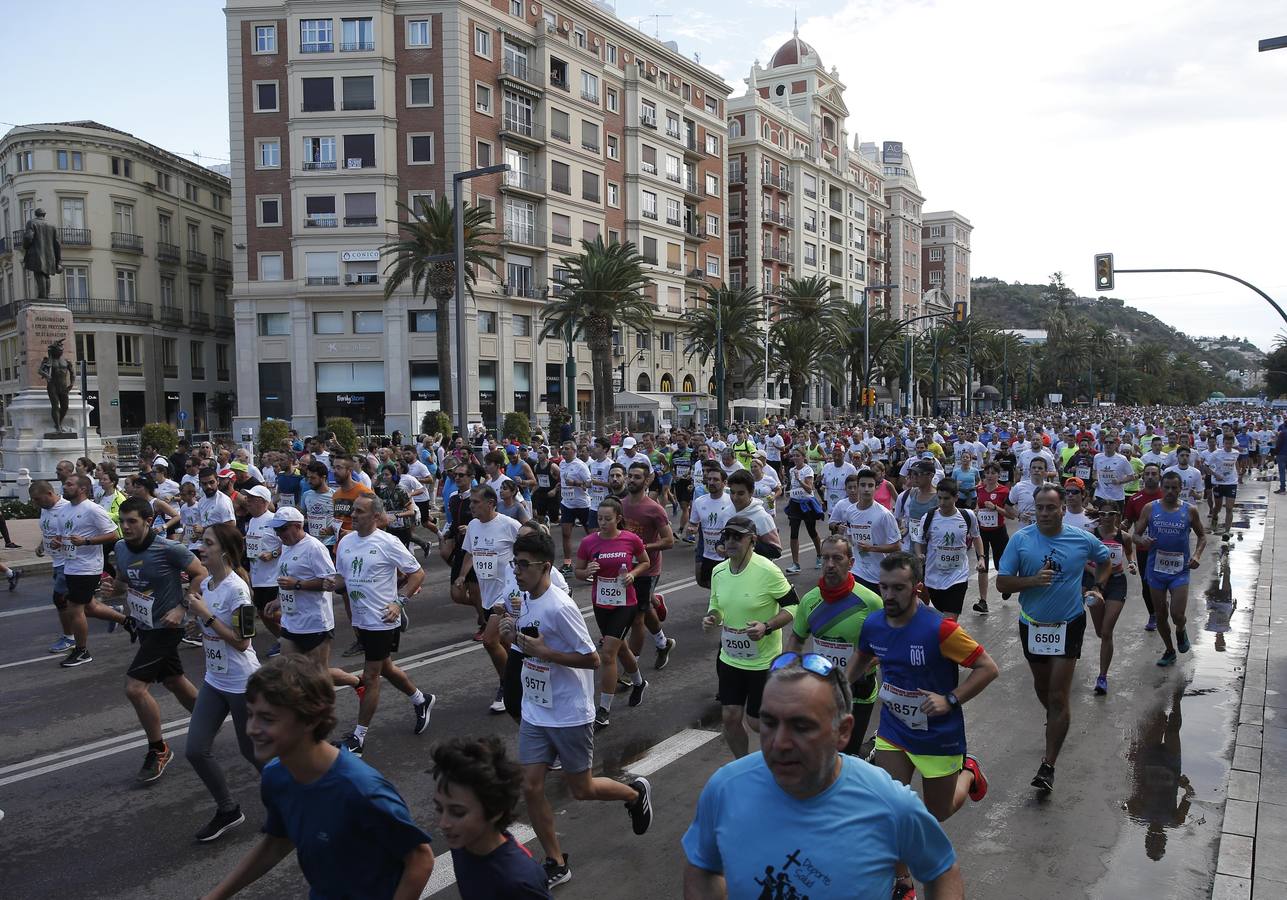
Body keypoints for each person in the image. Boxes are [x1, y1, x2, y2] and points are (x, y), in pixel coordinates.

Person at [682, 652, 964, 900]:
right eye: (769, 722)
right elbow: (703, 867)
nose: (779, 743)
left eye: (801, 726)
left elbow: (941, 871)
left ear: (843, 731)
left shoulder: (890, 804)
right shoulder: (726, 787)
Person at [199, 655, 435, 900]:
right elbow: (278, 842)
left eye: (268, 719)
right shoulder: (276, 775)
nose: (252, 729)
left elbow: (420, 859)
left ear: (310, 719)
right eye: (251, 715)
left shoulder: (360, 789)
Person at [497, 530, 654, 888]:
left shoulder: (560, 606)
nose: (517, 571)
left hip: (569, 711)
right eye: (514, 563)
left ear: (546, 567)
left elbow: (592, 659)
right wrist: (511, 638)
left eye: (524, 565)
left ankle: (634, 793)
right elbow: (528, 646)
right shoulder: (522, 597)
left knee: (580, 789)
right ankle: (555, 861)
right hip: (537, 709)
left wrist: (545, 653)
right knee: (532, 786)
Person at [851, 551, 996, 899]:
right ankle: (903, 881)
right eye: (883, 587)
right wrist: (836, 687)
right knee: (892, 808)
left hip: (938, 736)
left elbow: (988, 668)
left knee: (938, 812)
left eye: (897, 588)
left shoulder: (940, 629)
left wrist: (950, 699)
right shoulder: (873, 623)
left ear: (916, 589)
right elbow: (862, 657)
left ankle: (969, 773)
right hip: (893, 730)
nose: (888, 596)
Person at [996, 483, 1111, 795]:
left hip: (1069, 622)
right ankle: (1055, 720)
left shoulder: (1081, 537)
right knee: (1043, 688)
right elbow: (1002, 583)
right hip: (1032, 624)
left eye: (1051, 507)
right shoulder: (1021, 539)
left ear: (1064, 509)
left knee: (1059, 695)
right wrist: (1032, 581)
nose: (1045, 513)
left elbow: (1106, 559)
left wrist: (1096, 586)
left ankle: (1048, 765)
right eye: (1040, 508)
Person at [114, 496, 210, 781]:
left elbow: (201, 575)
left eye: (132, 521)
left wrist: (181, 608)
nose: (126, 527)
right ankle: (209, 720)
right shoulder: (120, 547)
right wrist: (114, 589)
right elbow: (124, 579)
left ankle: (158, 749)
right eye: (122, 521)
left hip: (167, 627)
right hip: (145, 624)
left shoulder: (168, 548)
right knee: (173, 680)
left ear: (148, 521)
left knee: (135, 688)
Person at [329, 495, 433, 757]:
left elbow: (417, 573)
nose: (353, 515)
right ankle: (422, 699)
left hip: (382, 620)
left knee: (371, 675)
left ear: (375, 516)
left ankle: (359, 737)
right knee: (384, 666)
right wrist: (328, 586)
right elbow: (343, 579)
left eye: (360, 511)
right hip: (361, 619)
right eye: (353, 510)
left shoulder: (388, 542)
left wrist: (399, 603)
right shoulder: (346, 542)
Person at [185, 522, 264, 841]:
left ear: (226, 552)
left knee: (253, 753)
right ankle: (228, 809)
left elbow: (243, 642)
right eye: (201, 542)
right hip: (215, 680)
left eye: (207, 543)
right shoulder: (207, 585)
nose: (200, 548)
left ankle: (292, 800)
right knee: (195, 750)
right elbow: (211, 630)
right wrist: (197, 627)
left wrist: (205, 616)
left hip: (243, 682)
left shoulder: (237, 589)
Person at [702, 514, 799, 758]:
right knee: (730, 716)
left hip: (762, 662)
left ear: (752, 540)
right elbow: (717, 605)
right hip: (730, 658)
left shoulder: (768, 570)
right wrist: (712, 617)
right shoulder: (718, 571)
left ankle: (788, 749)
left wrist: (766, 626)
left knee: (756, 722)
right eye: (728, 536)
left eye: (738, 536)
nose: (731, 541)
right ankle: (743, 765)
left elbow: (793, 607)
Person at [784, 535, 883, 754]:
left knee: (847, 755)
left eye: (837, 558)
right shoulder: (809, 600)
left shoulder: (871, 602)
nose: (830, 564)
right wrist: (786, 674)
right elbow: (796, 639)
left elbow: (890, 646)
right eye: (825, 558)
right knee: (820, 751)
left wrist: (868, 661)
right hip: (822, 687)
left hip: (858, 691)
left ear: (851, 562)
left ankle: (870, 751)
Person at [430, 736, 551, 899]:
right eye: (439, 808)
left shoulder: (518, 881)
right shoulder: (462, 843)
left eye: (458, 812)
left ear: (495, 811)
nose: (443, 823)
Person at [576, 497, 650, 730]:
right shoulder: (588, 542)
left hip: (625, 603)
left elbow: (645, 562)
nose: (603, 523)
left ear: (618, 519)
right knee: (620, 647)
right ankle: (639, 683)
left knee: (608, 654)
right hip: (601, 603)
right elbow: (577, 572)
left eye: (608, 519)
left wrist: (633, 574)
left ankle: (604, 709)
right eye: (599, 519)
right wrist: (586, 571)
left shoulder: (631, 539)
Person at [459, 484, 523, 714]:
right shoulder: (474, 526)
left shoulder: (509, 525)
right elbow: (470, 553)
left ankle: (508, 687)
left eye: (476, 502)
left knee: (489, 641)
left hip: (506, 593)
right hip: (487, 595)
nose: (471, 506)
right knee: (509, 644)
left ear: (490, 503)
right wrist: (462, 575)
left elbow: (531, 547)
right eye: (471, 502)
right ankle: (524, 677)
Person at [1133, 471, 1207, 668]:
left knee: (1177, 614)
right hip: (1156, 570)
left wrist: (1197, 555)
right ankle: (1170, 650)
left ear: (1180, 488)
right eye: (1166, 487)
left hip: (1180, 570)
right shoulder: (1150, 509)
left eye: (1174, 487)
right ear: (1161, 487)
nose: (1170, 491)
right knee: (1161, 615)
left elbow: (1202, 536)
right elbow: (1135, 535)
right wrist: (1142, 540)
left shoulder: (1190, 511)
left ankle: (1181, 630)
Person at [57, 473, 130, 667]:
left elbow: (113, 534)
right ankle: (127, 621)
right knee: (89, 607)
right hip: (71, 564)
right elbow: (66, 535)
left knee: (74, 608)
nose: (65, 487)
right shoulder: (65, 509)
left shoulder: (93, 509)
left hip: (87, 567)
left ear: (82, 489)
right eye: (65, 484)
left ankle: (82, 651)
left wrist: (86, 541)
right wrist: (60, 543)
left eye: (69, 484)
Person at [621, 460, 677, 668]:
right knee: (643, 611)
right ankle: (663, 643)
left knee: (637, 619)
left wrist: (642, 547)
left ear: (647, 481)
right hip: (626, 569)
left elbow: (669, 541)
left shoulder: (654, 509)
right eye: (631, 476)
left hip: (648, 570)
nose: (632, 480)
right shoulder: (622, 504)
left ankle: (630, 669)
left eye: (637, 477)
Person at [914, 478, 982, 620]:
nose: (942, 503)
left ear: (956, 497)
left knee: (949, 621)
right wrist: (919, 554)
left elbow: (976, 536)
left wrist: (981, 557)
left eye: (946, 498)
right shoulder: (929, 517)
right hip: (934, 578)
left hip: (958, 577)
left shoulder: (967, 515)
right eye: (939, 498)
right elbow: (919, 541)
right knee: (940, 616)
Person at [1085, 504, 1135, 695]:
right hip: (1096, 584)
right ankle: (1105, 648)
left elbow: (1129, 553)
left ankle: (1102, 677)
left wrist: (1131, 564)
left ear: (1117, 515)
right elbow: (1082, 560)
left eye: (1111, 513)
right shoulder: (1090, 535)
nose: (1106, 517)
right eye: (1102, 513)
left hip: (1117, 583)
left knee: (1107, 632)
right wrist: (1097, 572)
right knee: (1099, 631)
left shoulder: (1125, 537)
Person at [29, 480, 75, 652]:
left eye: (38, 499)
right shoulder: (45, 508)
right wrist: (42, 545)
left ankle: (70, 638)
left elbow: (77, 531)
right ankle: (115, 614)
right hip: (56, 561)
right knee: (80, 603)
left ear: (49, 494)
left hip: (67, 561)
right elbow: (48, 530)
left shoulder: (67, 508)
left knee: (60, 599)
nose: (36, 503)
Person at [972, 463, 1015, 615]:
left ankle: (1006, 586)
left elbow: (1011, 515)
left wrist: (995, 508)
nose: (989, 476)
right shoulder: (979, 490)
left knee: (1000, 565)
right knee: (982, 565)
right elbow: (978, 507)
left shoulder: (1004, 491)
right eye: (987, 473)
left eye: (993, 473)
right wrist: (977, 510)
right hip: (981, 532)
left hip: (998, 532)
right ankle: (983, 601)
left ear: (998, 475)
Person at [686, 465, 737, 589]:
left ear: (724, 483)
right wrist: (691, 529)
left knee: (725, 586)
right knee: (702, 581)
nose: (711, 482)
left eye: (715, 479)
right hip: (707, 551)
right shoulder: (699, 502)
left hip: (726, 552)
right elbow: (693, 523)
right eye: (709, 479)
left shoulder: (732, 502)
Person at [783, 447, 823, 574]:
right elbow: (792, 486)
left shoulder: (808, 469)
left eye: (797, 456)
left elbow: (809, 489)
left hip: (807, 504)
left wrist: (799, 479)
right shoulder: (791, 470)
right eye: (793, 456)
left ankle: (819, 555)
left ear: (803, 457)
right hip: (795, 504)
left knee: (812, 531)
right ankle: (795, 564)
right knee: (793, 533)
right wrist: (788, 492)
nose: (795, 458)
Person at [556, 441, 593, 576]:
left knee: (591, 535)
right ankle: (567, 563)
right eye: (563, 448)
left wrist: (575, 483)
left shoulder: (580, 466)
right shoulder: (562, 464)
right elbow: (563, 480)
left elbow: (589, 484)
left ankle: (594, 562)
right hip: (567, 504)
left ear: (574, 451)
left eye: (567, 449)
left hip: (582, 504)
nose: (564, 451)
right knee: (565, 534)